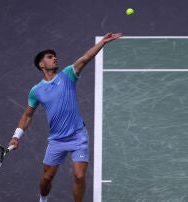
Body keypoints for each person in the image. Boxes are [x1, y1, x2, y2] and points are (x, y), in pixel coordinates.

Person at [7, 32, 122, 202]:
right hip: (56, 140)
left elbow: (85, 58)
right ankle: (43, 200)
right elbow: (27, 115)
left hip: (78, 135)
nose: (55, 59)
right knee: (47, 178)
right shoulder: (36, 90)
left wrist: (103, 43)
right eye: (50, 57)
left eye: (55, 57)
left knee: (79, 176)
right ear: (41, 64)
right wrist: (16, 137)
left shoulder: (68, 75)